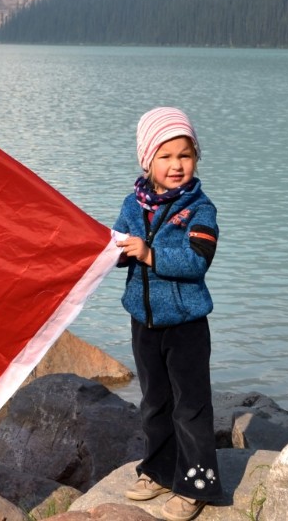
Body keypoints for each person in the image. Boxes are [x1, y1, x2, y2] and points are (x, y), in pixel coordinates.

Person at [113, 107, 222, 520]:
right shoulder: (133, 203)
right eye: (166, 156)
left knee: (190, 406)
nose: (177, 166)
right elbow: (120, 246)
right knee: (154, 402)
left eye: (185, 155)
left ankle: (196, 485)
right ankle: (158, 470)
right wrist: (111, 251)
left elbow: (196, 261)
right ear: (147, 161)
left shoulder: (200, 209)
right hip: (144, 323)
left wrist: (149, 252)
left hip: (186, 326)